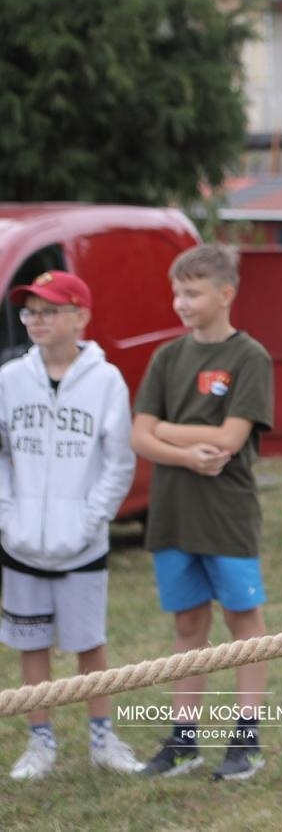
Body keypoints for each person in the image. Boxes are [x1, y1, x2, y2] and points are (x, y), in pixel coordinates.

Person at [130, 245, 274, 781]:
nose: (180, 303)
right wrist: (184, 451)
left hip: (226, 516)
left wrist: (165, 430)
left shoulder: (249, 358)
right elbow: (139, 435)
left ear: (224, 294)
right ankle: (184, 740)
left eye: (191, 292)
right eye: (177, 293)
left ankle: (246, 739)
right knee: (188, 624)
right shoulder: (167, 358)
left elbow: (230, 439)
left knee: (244, 624)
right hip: (173, 514)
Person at [0, 271, 144, 778]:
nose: (36, 321)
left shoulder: (105, 381)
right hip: (21, 543)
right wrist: (6, 513)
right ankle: (40, 743)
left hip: (82, 544)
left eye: (48, 311)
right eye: (29, 311)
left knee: (88, 644)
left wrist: (91, 519)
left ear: (80, 316)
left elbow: (118, 461)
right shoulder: (10, 379)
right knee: (30, 643)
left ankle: (102, 739)